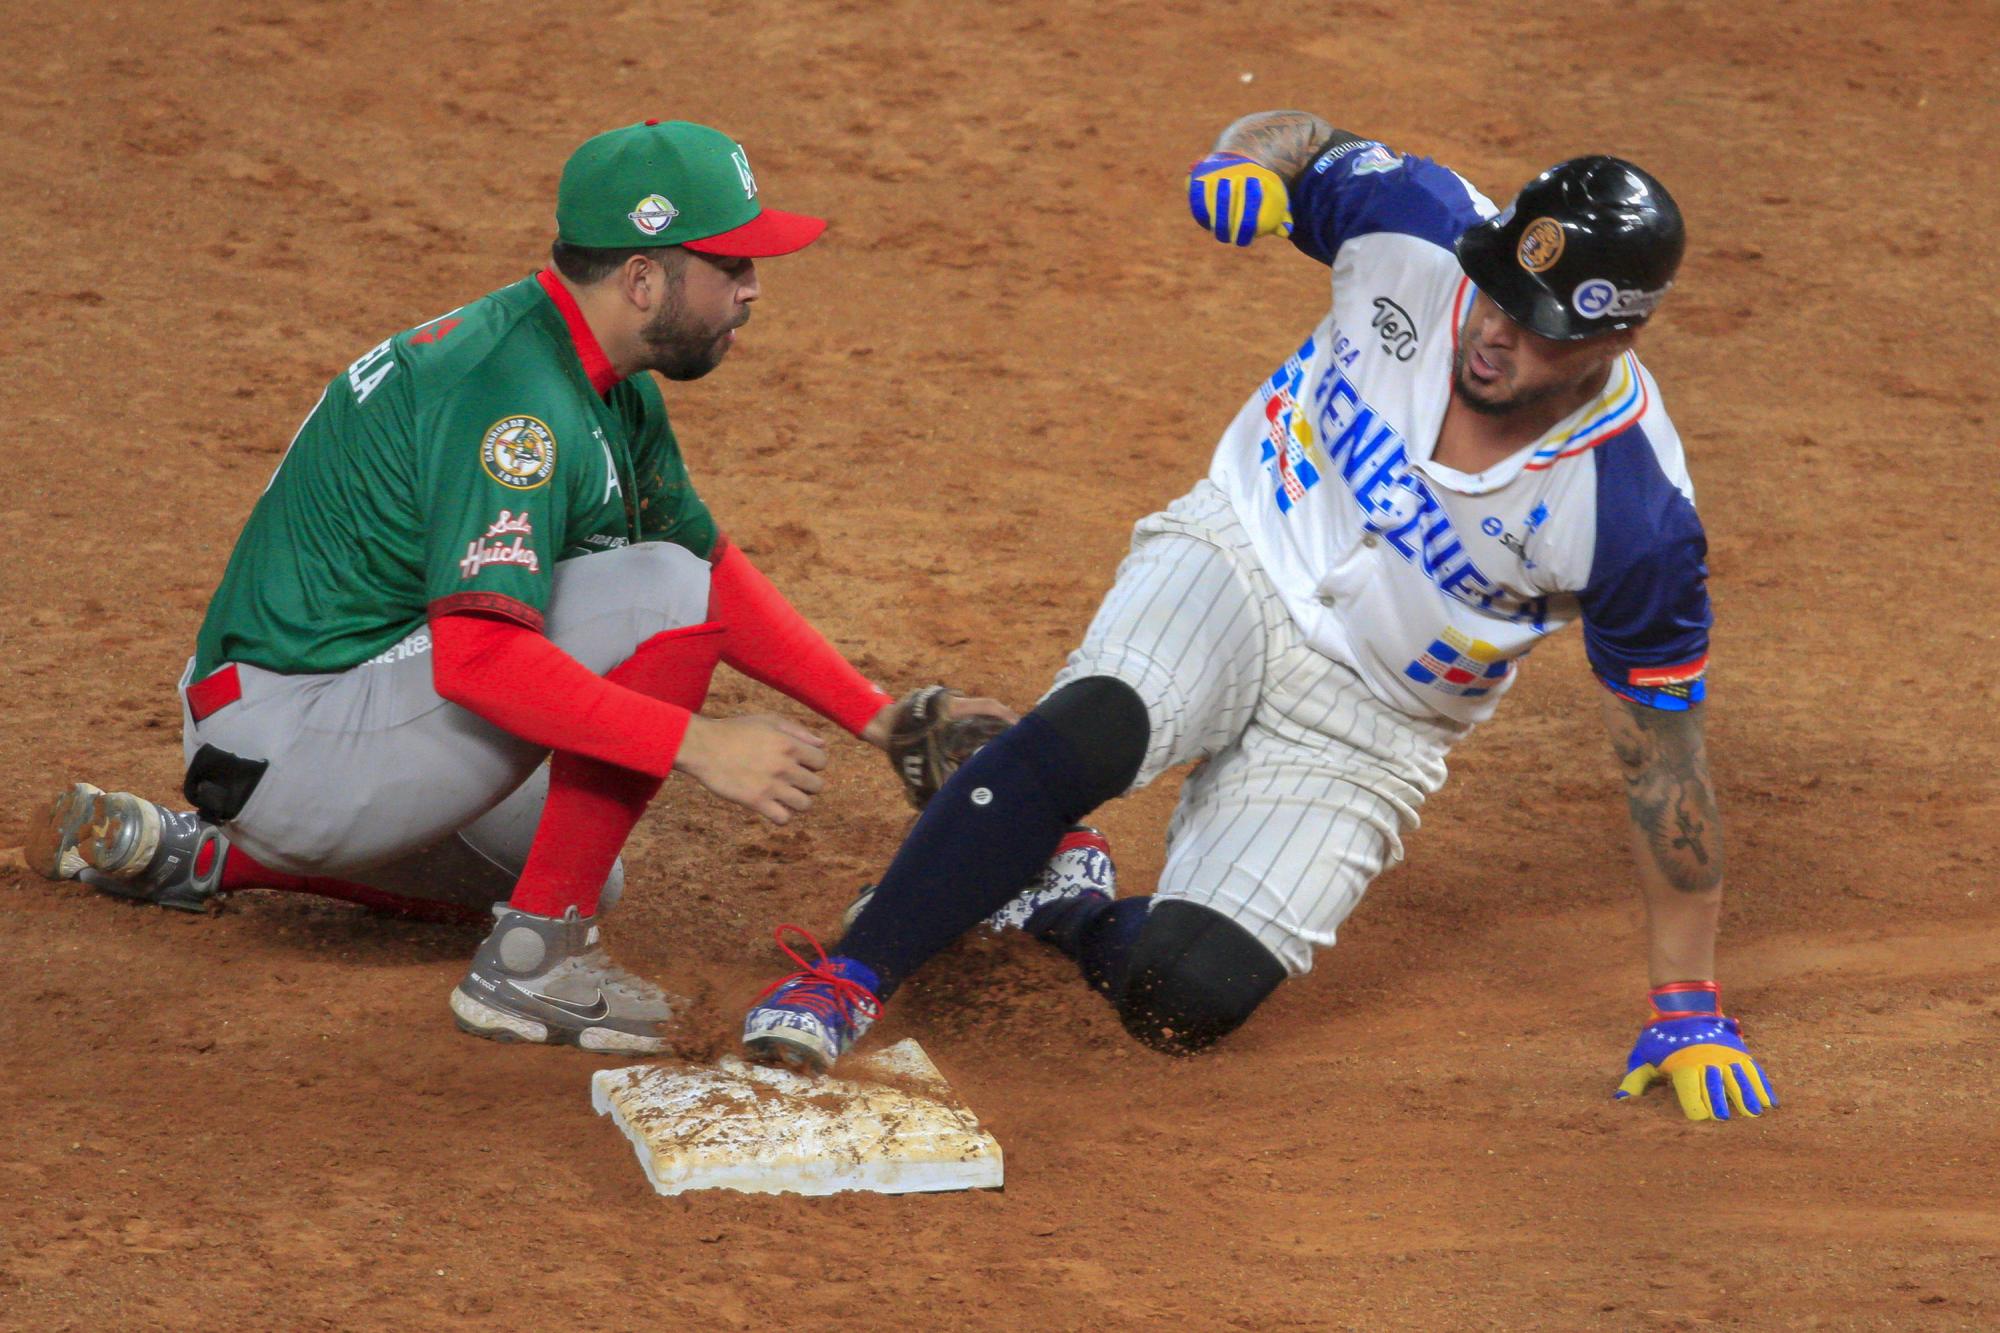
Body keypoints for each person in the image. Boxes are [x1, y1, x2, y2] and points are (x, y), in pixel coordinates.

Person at [741, 110, 1778, 1124]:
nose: (1492, 335)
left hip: (1375, 721)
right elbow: (1294, 135)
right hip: (1240, 550)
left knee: (1183, 995)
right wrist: (1242, 162)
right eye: (1495, 291)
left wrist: (1685, 1005)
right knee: (1099, 722)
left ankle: (1061, 893)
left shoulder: (1634, 514)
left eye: (1536, 326)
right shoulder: (1413, 222)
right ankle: (849, 977)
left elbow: (1663, 768)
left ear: (1621, 334)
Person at [26, 118, 1009, 1056]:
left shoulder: (594, 372)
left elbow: (713, 570)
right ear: (640, 277)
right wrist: (698, 743)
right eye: (731, 265)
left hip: (326, 714)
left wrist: (882, 721)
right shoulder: (515, 410)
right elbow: (486, 659)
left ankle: (206, 855)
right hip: (297, 728)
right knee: (647, 597)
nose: (752, 289)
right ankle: (530, 968)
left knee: (585, 868)